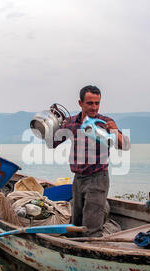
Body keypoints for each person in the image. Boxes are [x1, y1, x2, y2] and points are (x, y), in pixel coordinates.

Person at [52, 85, 130, 237]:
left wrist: (114, 130)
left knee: (91, 229)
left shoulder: (105, 122)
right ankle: (73, 249)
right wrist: (51, 126)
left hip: (97, 178)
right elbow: (53, 142)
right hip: (78, 179)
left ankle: (91, 252)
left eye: (97, 103)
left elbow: (124, 145)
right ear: (80, 103)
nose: (94, 107)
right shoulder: (72, 122)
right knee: (76, 223)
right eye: (90, 103)